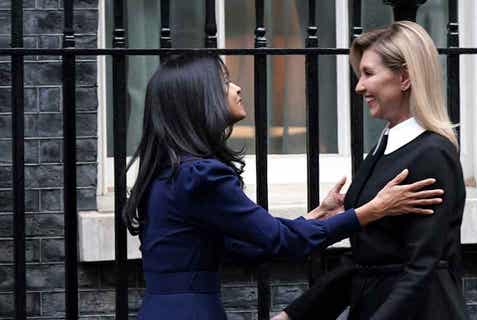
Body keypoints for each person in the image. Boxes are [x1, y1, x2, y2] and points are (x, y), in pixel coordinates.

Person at [123, 53, 446, 320]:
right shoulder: (201, 177)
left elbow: (250, 246)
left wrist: (318, 215)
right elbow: (279, 241)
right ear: (198, 101)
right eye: (223, 83)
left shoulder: (169, 175)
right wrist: (370, 211)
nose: (236, 88)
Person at [273, 21, 467, 320]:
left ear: (404, 78)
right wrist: (294, 315)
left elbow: (421, 267)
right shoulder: (382, 149)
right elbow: (366, 261)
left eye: (368, 74)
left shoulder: (432, 154)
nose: (359, 86)